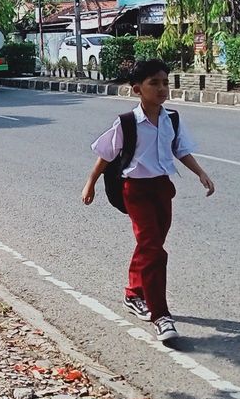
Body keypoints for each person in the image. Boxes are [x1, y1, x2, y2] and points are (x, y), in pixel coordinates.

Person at [81, 60, 215, 343]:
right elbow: (105, 154)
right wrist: (90, 183)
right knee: (154, 249)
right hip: (136, 190)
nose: (162, 88)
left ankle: (133, 292)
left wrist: (201, 173)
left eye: (165, 82)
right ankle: (160, 315)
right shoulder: (127, 122)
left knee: (149, 245)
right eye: (154, 83)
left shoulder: (172, 119)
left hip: (162, 189)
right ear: (137, 90)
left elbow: (181, 150)